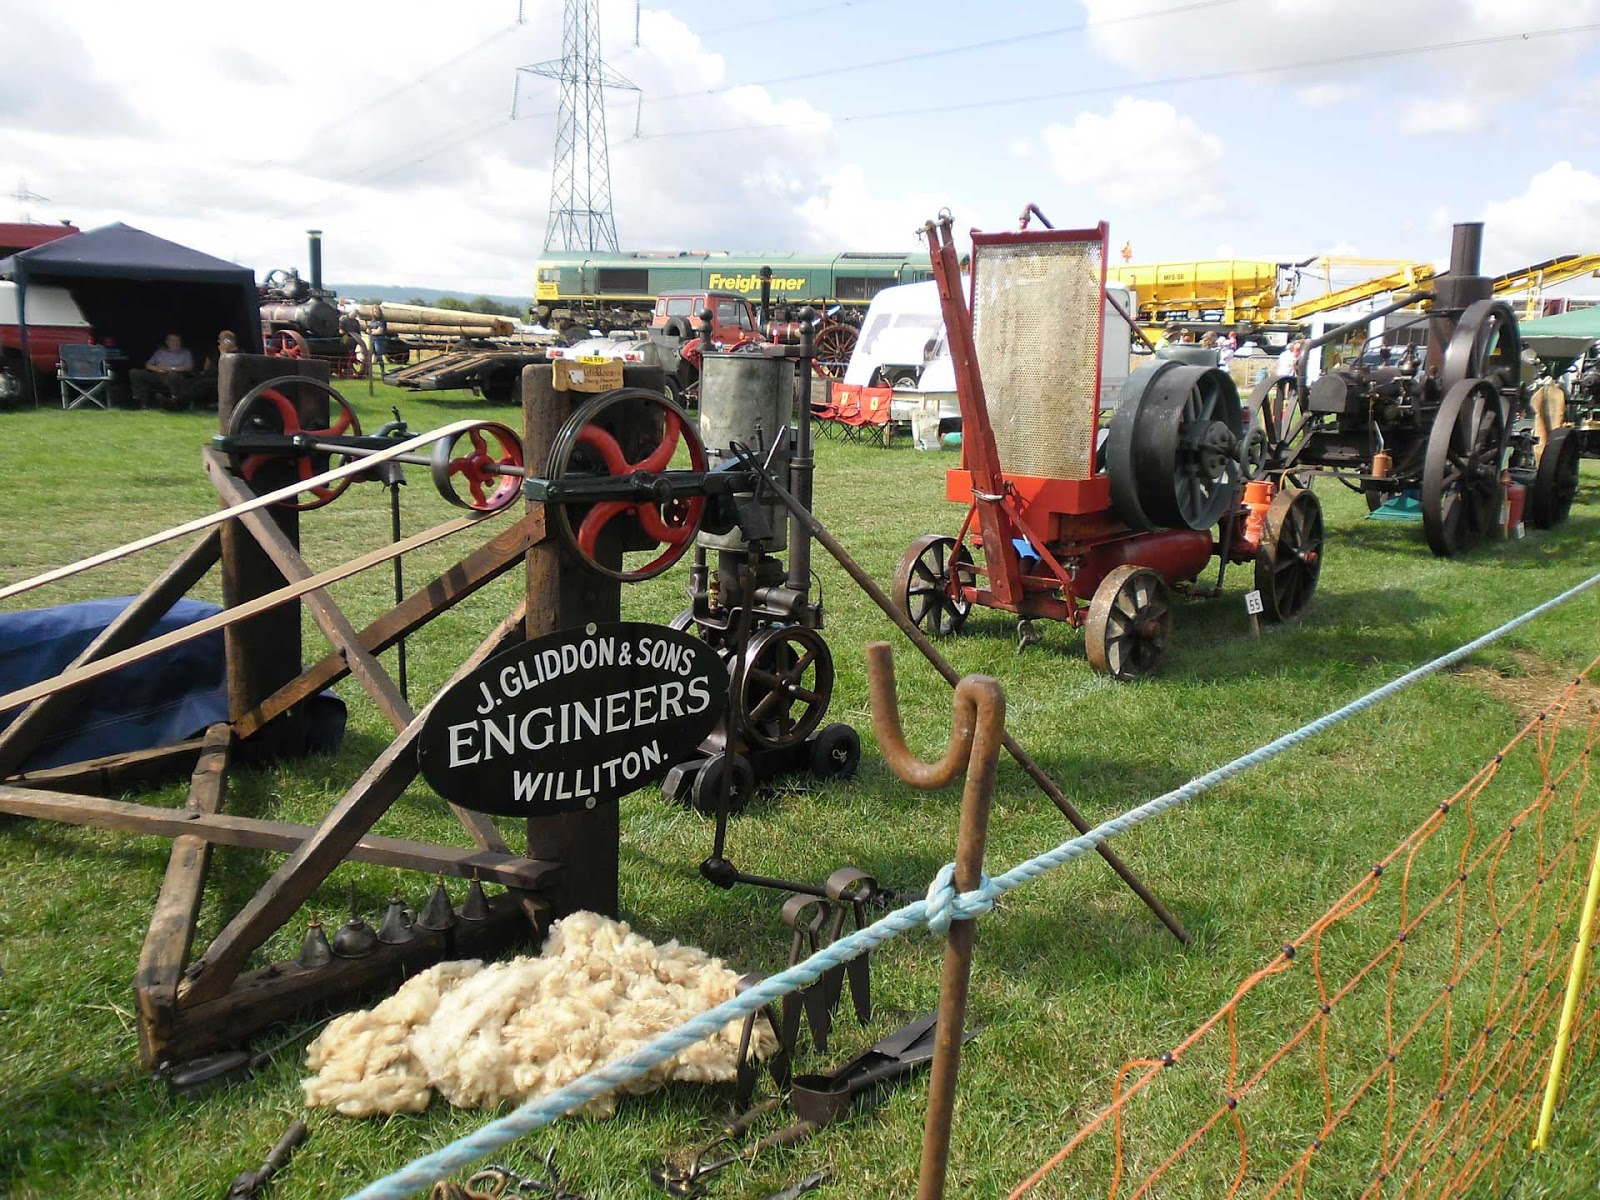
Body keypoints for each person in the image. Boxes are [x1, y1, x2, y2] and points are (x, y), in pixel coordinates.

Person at [130, 333, 196, 410]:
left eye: (178, 340)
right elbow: (148, 365)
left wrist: (172, 369)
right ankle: (142, 402)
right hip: (159, 375)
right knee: (135, 372)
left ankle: (175, 400)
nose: (175, 343)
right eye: (173, 341)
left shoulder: (185, 352)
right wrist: (158, 369)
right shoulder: (160, 352)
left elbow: (189, 367)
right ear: (167, 342)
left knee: (172, 375)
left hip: (176, 376)